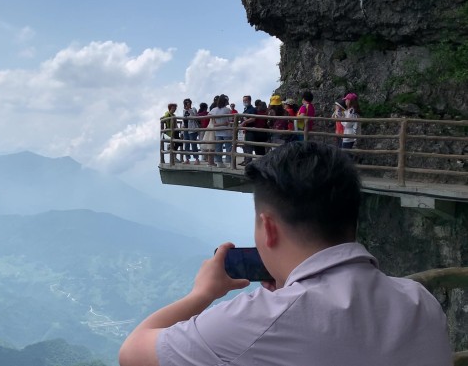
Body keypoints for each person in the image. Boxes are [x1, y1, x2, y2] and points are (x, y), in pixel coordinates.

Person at [119, 141, 452, 366]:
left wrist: (202, 294)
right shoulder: (421, 302)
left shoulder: (254, 321)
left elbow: (133, 352)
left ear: (269, 228)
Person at [209, 94, 233, 167]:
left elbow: (209, 115)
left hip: (217, 131)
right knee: (228, 147)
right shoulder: (227, 110)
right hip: (226, 131)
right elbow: (230, 120)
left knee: (218, 148)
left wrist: (215, 122)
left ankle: (219, 162)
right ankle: (229, 162)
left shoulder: (214, 110)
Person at [182, 98, 200, 165]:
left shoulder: (193, 109)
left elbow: (195, 116)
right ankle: (187, 159)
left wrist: (189, 109)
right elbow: (184, 119)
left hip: (192, 129)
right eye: (186, 103)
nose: (187, 104)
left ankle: (196, 159)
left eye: (188, 103)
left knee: (193, 144)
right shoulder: (184, 111)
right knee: (186, 144)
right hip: (186, 129)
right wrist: (182, 127)